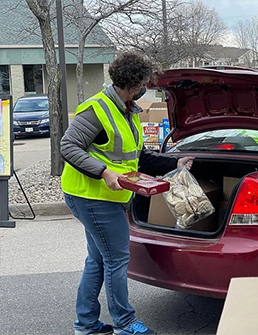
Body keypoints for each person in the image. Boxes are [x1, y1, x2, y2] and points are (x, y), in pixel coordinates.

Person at [60, 51, 192, 335]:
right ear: (133, 83)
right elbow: (68, 146)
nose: (146, 87)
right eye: (144, 82)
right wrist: (104, 172)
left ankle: (86, 324)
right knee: (116, 259)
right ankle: (124, 323)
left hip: (106, 197)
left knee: (98, 259)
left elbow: (136, 157)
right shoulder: (97, 109)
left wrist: (174, 163)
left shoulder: (126, 110)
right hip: (92, 197)